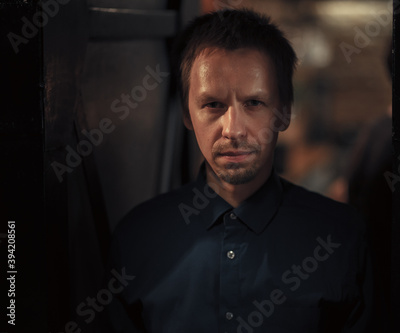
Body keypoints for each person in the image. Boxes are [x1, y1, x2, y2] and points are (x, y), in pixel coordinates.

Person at [105, 9, 382, 333]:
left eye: (253, 103)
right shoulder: (139, 238)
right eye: (213, 105)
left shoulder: (339, 237)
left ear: (283, 112)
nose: (233, 129)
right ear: (186, 114)